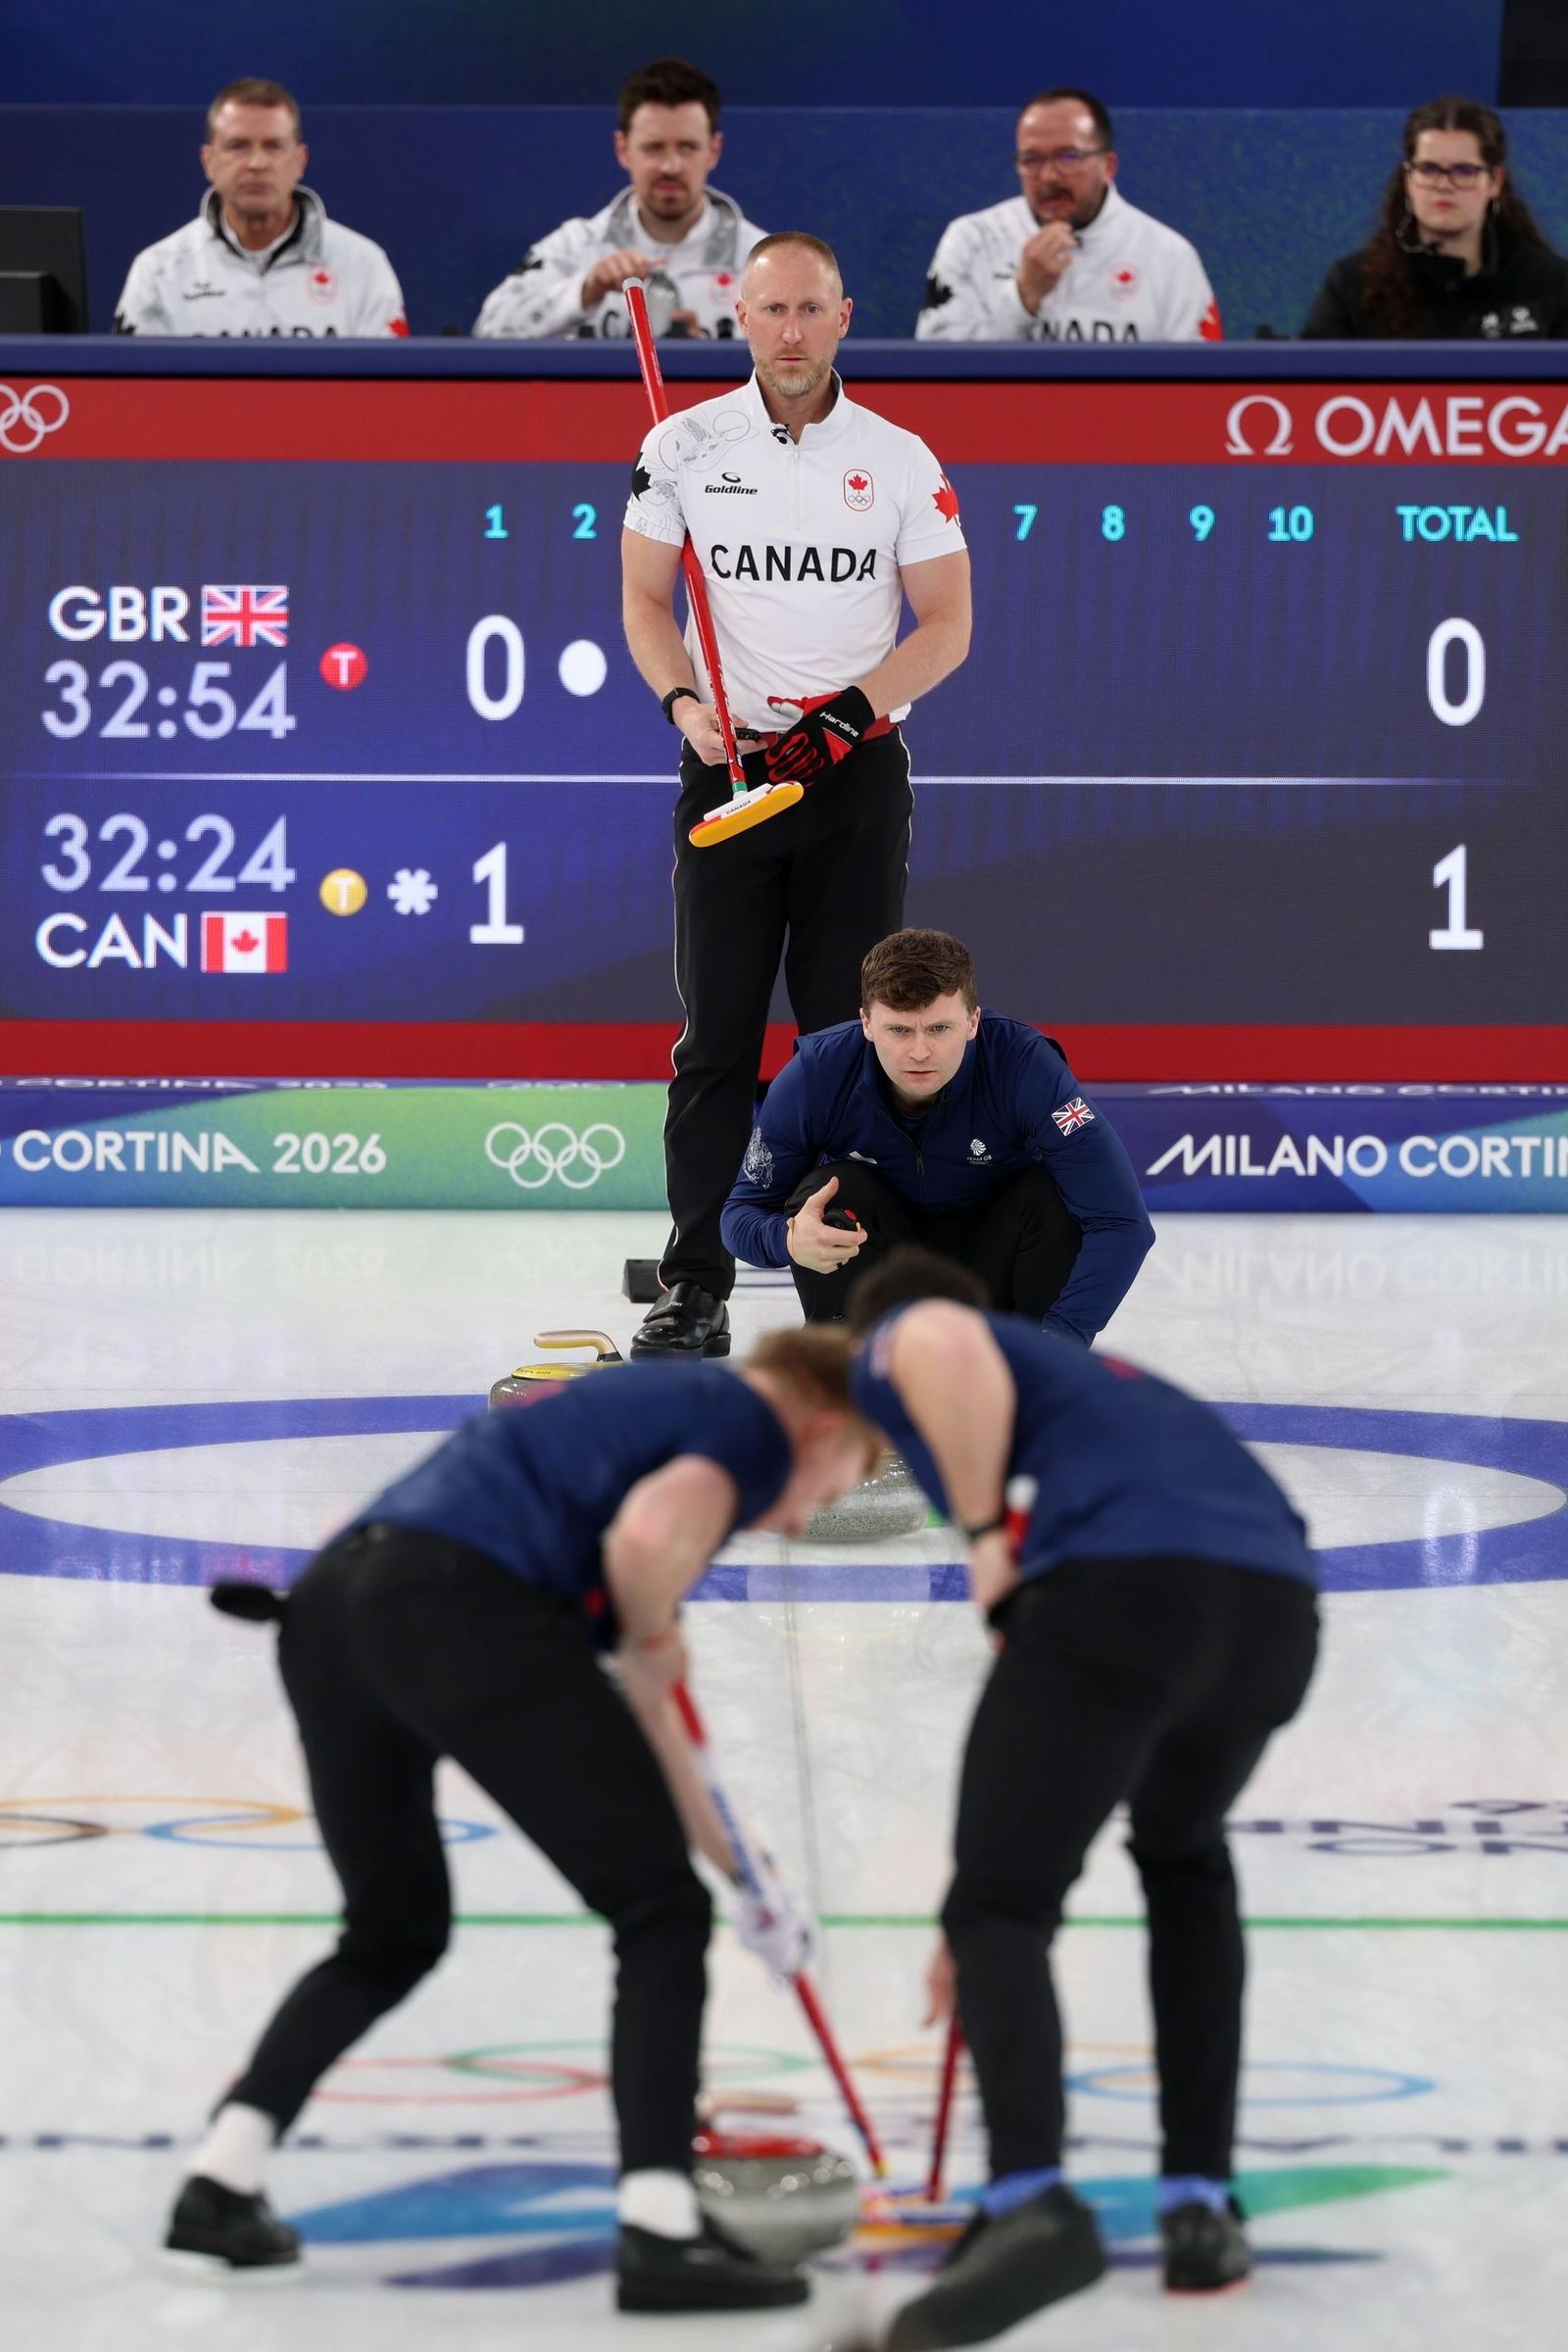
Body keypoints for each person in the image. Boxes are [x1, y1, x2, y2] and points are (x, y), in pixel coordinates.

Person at [162, 1329, 876, 2314]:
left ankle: (221, 2180)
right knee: (659, 1917)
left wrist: (746, 1871)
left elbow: (653, 1707)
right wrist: (652, 1630)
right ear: (826, 1426)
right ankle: (663, 2230)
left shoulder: (649, 1408)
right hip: (463, 1609)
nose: (801, 1524)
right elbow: (638, 1564)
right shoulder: (752, 1421)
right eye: (833, 1489)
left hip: (330, 1614)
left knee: (392, 1932)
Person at [846, 1250, 1320, 2352]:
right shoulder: (1110, 1386)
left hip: (1126, 1592)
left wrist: (978, 1544)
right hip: (1273, 1619)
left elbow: (935, 1336)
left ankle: (1028, 2205)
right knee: (1184, 1859)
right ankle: (1199, 2203)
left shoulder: (910, 1339)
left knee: (1001, 1909)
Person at [621, 231, 971, 1360]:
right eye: (769, 310)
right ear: (739, 313)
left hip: (851, 776)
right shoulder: (680, 444)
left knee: (842, 1044)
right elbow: (641, 601)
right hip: (729, 772)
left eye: (808, 310)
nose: (788, 331)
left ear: (842, 315)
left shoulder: (901, 457)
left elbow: (949, 626)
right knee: (715, 1038)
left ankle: (849, 1287)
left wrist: (847, 716)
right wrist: (683, 703)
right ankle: (696, 1281)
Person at [721, 928, 1152, 1344]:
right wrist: (787, 1239)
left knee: (1054, 1194)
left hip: (997, 1277)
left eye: (939, 1029)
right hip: (881, 1283)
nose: (919, 1052)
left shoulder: (1026, 1068)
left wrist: (1062, 1337)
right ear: (867, 1024)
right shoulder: (816, 1075)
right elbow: (739, 1214)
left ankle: (1029, 1366)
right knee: (831, 1192)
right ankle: (852, 1371)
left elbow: (1123, 1222)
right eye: (899, 1030)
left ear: (972, 1022)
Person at [473, 57, 765, 340]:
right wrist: (586, 291)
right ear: (623, 149)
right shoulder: (577, 246)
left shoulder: (762, 260)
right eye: (654, 148)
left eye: (687, 147)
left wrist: (709, 362)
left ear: (714, 151)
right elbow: (490, 328)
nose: (670, 166)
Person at [915, 87, 1219, 344]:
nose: (1048, 176)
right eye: (1031, 159)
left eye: (1068, 156)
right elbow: (932, 374)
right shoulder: (972, 240)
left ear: (1108, 167)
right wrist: (1022, 298)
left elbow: (1204, 388)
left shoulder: (1169, 256)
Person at [113, 79, 408, 338]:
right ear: (208, 161)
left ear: (300, 161)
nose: (256, 164)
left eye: (273, 146)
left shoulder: (363, 265)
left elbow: (391, 394)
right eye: (238, 146)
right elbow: (132, 396)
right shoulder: (158, 272)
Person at [1301, 95, 1568, 340]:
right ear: (1408, 178)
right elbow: (1308, 385)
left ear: (1495, 182)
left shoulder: (1549, 284)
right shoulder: (1355, 284)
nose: (1444, 185)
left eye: (1464, 171)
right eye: (1428, 169)